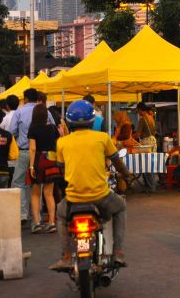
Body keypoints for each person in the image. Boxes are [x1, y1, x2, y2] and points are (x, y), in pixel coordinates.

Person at [49, 100, 130, 271]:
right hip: (101, 196)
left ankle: (65, 257)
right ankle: (118, 252)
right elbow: (117, 161)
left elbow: (61, 169)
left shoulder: (62, 142)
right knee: (121, 207)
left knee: (61, 215)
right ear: (92, 121)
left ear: (69, 122)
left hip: (73, 198)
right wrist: (127, 175)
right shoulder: (102, 138)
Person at [8, 88, 45, 224]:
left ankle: (23, 214)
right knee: (39, 183)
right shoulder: (43, 110)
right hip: (42, 153)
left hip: (24, 151)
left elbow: (12, 130)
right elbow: (52, 127)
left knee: (19, 182)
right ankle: (38, 214)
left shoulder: (20, 111)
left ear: (26, 99)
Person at [28, 104, 62, 233]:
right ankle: (52, 222)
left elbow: (33, 148)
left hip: (38, 160)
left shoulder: (33, 129)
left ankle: (37, 223)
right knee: (49, 193)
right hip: (51, 160)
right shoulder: (53, 128)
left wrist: (31, 166)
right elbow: (58, 145)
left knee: (36, 193)